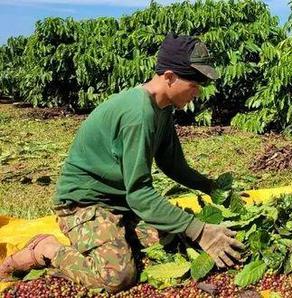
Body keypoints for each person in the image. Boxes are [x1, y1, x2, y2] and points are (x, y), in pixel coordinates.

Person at [0, 34, 244, 293]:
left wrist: (213, 188)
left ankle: (114, 238)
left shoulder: (162, 108)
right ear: (170, 77)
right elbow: (140, 193)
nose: (198, 92)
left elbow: (173, 165)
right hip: (84, 205)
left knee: (176, 238)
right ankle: (45, 249)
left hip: (119, 203)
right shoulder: (138, 114)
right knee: (118, 278)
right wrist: (201, 230)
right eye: (194, 84)